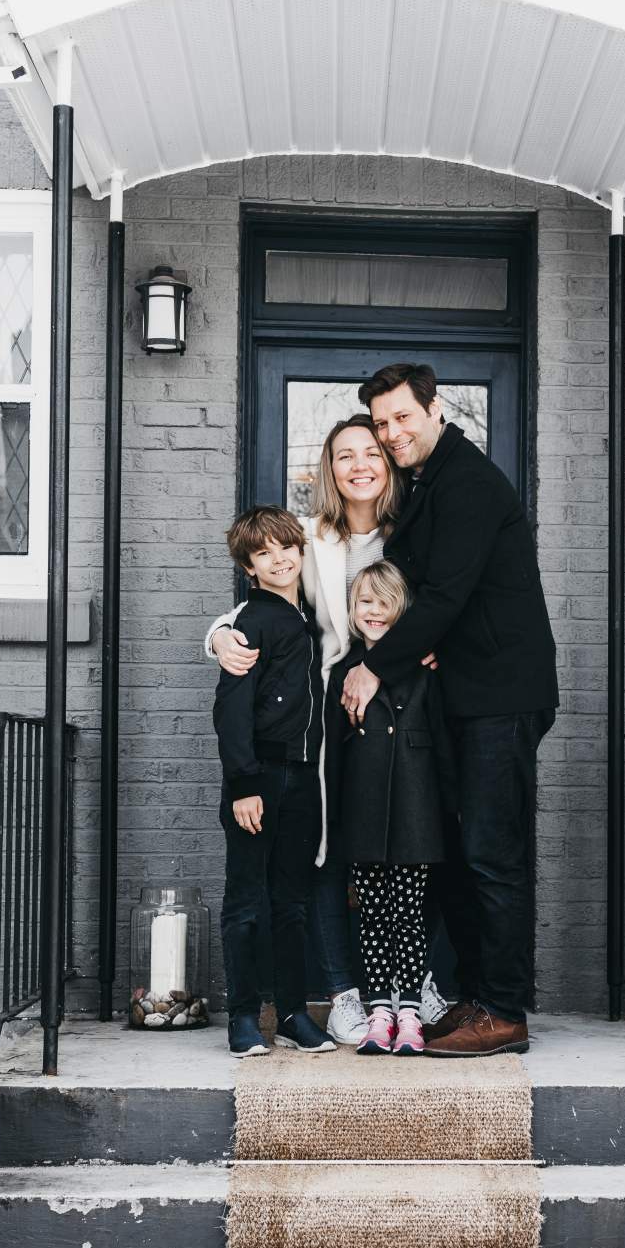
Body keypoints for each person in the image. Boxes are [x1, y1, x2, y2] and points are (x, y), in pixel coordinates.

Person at [341, 363, 559, 1058]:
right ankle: (478, 994)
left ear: (435, 409)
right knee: (467, 856)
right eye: (381, 422)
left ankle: (504, 1011)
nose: (391, 433)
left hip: (502, 696)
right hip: (465, 697)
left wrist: (374, 665)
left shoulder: (467, 482)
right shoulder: (428, 484)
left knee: (493, 854)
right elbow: (429, 596)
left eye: (402, 417)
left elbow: (442, 597)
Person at [206, 415, 446, 1042]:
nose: (360, 465)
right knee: (329, 855)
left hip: (405, 704)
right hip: (326, 712)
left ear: (388, 464)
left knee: (414, 847)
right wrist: (219, 636)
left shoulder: (414, 531)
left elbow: (447, 603)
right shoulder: (310, 538)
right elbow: (264, 598)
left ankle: (413, 985)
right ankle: (342, 993)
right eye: (345, 455)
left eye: (372, 452)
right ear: (329, 469)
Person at [212, 505, 335, 1059]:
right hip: (258, 778)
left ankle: (291, 1015)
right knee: (246, 901)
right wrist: (243, 784)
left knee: (292, 903)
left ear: (300, 551)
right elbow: (231, 709)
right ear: (249, 568)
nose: (279, 559)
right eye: (263, 553)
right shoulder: (250, 622)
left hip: (304, 779)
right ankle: (243, 1017)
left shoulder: (310, 618)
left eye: (286, 547)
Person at [326, 562, 454, 1056]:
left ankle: (410, 1013)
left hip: (416, 812)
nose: (374, 611)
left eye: (385, 603)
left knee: (409, 913)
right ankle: (380, 1010)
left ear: (401, 610)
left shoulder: (423, 667)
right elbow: (336, 754)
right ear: (352, 609)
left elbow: (442, 741)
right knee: (373, 914)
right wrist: (335, 817)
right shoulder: (345, 672)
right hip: (363, 812)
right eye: (365, 602)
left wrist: (450, 806)